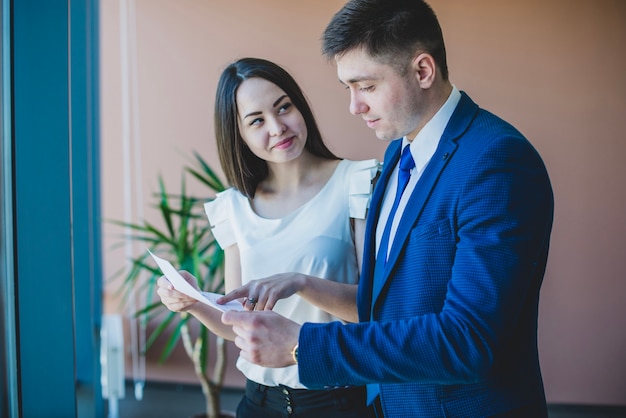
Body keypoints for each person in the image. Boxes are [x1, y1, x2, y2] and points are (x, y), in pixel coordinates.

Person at [220, 1, 555, 417]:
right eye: (348, 89)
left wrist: (300, 344)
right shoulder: (398, 152)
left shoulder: (497, 161)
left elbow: (468, 341)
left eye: (367, 86)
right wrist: (301, 283)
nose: (354, 106)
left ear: (423, 71)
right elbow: (385, 306)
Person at [156, 57, 379, 418]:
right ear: (239, 134)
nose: (278, 127)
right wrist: (193, 302)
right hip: (259, 403)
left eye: (284, 107)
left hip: (336, 402)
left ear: (299, 106)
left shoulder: (354, 184)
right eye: (257, 120)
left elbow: (373, 309)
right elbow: (235, 324)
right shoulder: (234, 207)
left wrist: (301, 283)